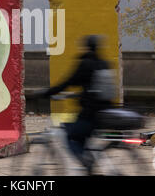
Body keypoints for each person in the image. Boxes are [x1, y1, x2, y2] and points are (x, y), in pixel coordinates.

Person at [40, 35, 113, 173]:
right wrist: (79, 95)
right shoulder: (104, 64)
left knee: (70, 135)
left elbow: (68, 82)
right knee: (82, 138)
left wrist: (47, 92)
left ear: (86, 47)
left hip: (90, 114)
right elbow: (93, 88)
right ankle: (88, 165)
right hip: (105, 113)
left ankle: (85, 161)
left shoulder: (85, 64)